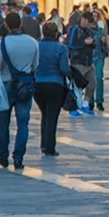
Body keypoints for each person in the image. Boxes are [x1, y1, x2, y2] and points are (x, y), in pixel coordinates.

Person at [0, 10, 39, 170]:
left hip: (5, 86)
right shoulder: (32, 42)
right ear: (21, 24)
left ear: (6, 25)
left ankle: (2, 156)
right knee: (23, 123)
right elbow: (35, 66)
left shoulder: (2, 43)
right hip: (24, 86)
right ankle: (18, 157)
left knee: (3, 123)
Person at [34, 21, 72, 156]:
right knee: (52, 116)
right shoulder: (60, 48)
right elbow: (64, 69)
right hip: (55, 85)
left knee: (45, 113)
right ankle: (49, 147)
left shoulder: (36, 47)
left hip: (38, 85)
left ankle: (44, 144)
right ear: (56, 33)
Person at [67, 11, 97, 116]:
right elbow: (71, 44)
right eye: (88, 22)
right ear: (83, 19)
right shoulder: (75, 30)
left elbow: (93, 44)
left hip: (88, 62)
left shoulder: (89, 31)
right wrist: (83, 42)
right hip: (78, 62)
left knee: (92, 83)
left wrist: (92, 43)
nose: (88, 24)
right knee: (75, 86)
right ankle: (73, 107)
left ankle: (85, 104)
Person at [90, 8, 108, 111]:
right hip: (89, 57)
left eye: (96, 16)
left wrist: (104, 42)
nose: (94, 18)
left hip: (99, 56)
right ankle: (90, 100)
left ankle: (100, 101)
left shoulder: (101, 31)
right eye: (93, 16)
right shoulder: (87, 31)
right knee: (90, 79)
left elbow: (106, 49)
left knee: (99, 77)